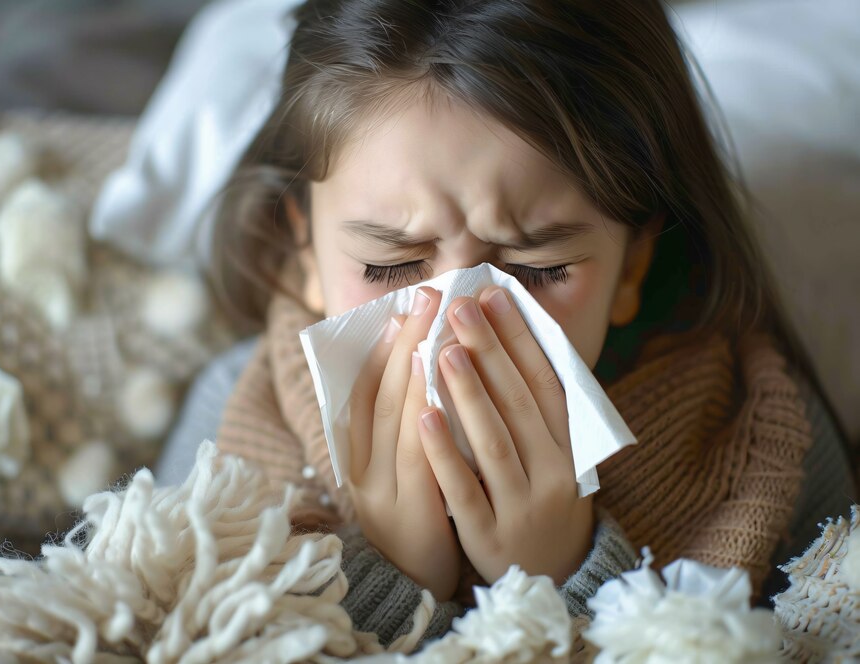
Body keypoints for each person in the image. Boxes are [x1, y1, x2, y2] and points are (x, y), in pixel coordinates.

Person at [156, 0, 857, 648]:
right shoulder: (233, 429)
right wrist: (388, 577)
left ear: (632, 265)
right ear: (304, 245)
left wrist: (566, 582)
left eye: (536, 269)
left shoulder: (765, 443)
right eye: (389, 265)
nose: (455, 326)